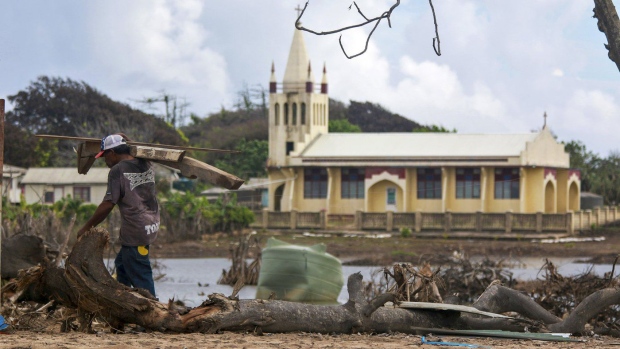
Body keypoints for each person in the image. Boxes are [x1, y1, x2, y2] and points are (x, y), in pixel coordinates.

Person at [77, 134, 160, 297]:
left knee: (141, 276)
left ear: (112, 153)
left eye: (105, 156)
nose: (105, 161)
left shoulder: (117, 170)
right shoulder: (146, 163)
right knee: (122, 265)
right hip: (150, 226)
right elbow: (134, 148)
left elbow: (108, 203)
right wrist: (125, 137)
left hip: (135, 230)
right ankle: (123, 304)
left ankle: (153, 313)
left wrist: (87, 227)